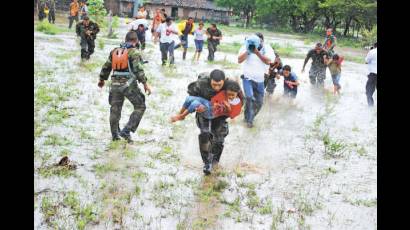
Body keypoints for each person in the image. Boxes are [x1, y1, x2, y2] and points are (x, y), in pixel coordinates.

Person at [186, 69, 244, 175]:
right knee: (205, 133)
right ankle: (207, 162)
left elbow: (240, 101)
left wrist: (229, 109)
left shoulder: (230, 85)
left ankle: (215, 161)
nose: (216, 87)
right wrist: (197, 106)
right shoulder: (201, 83)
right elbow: (190, 95)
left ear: (224, 81)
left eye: (219, 85)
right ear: (210, 80)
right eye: (214, 84)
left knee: (219, 138)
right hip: (205, 111)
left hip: (220, 114)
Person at [98, 31, 152, 142]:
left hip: (114, 85)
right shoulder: (134, 53)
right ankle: (126, 131)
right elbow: (138, 70)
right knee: (140, 106)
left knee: (115, 110)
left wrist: (102, 80)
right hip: (128, 85)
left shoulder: (114, 51)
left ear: (125, 39)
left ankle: (115, 136)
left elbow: (106, 67)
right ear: (136, 41)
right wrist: (145, 84)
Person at [238, 33, 275, 128]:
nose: (254, 43)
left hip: (260, 80)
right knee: (249, 97)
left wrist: (257, 52)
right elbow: (239, 60)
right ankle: (249, 121)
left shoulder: (267, 48)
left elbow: (268, 61)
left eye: (257, 42)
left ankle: (249, 117)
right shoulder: (246, 46)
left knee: (259, 103)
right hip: (247, 78)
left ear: (261, 41)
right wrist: (248, 51)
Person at [171, 81, 242, 122]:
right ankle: (181, 114)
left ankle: (181, 116)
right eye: (228, 94)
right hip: (210, 105)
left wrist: (228, 108)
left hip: (212, 113)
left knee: (195, 103)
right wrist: (216, 104)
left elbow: (232, 117)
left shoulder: (238, 105)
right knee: (189, 98)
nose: (230, 97)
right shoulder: (223, 93)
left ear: (237, 93)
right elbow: (213, 100)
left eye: (233, 95)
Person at [365, 42, 377, 106]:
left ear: (374, 46)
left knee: (369, 92)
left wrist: (369, 51)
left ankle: (370, 108)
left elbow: (366, 61)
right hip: (373, 74)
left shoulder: (372, 52)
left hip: (373, 75)